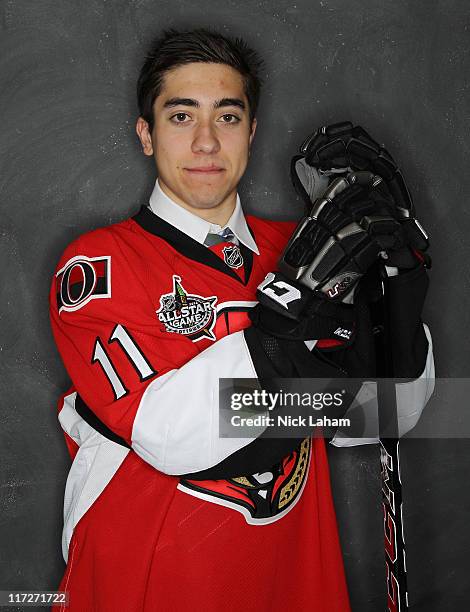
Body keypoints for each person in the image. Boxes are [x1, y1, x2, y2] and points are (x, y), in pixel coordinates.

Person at [49, 29, 433, 611]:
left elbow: (383, 416)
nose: (206, 142)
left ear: (251, 132)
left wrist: (396, 293)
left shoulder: (306, 249)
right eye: (181, 117)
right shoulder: (98, 265)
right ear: (146, 135)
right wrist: (297, 313)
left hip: (294, 578)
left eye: (227, 117)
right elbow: (168, 436)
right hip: (150, 584)